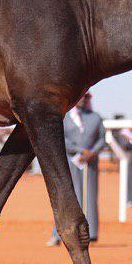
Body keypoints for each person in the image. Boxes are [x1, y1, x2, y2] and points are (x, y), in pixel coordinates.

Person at [48, 93, 106, 246]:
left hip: (90, 164)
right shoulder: (64, 117)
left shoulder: (96, 118)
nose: (82, 99)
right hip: (69, 162)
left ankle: (91, 233)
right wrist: (80, 151)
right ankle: (60, 233)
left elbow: (102, 139)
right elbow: (60, 137)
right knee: (68, 196)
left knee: (89, 196)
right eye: (80, 96)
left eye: (86, 97)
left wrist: (91, 153)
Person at [116, 123, 132, 207]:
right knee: (126, 179)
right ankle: (127, 199)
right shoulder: (123, 134)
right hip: (126, 159)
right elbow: (125, 146)